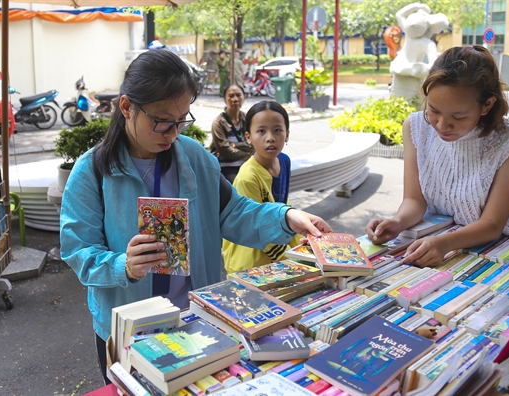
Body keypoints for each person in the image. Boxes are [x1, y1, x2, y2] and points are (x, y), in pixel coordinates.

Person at [59, 50, 332, 385]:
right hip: (128, 328)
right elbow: (78, 250)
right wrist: (123, 266)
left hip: (195, 319)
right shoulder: (93, 171)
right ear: (127, 107)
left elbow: (234, 212)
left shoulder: (194, 158)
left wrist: (286, 217)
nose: (172, 133)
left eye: (181, 120)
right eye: (161, 121)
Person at [365, 45, 509, 267]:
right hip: (436, 239)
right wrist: (397, 222)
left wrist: (443, 244)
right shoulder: (416, 127)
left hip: (498, 245)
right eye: (433, 110)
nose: (442, 125)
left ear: (487, 105)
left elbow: (493, 224)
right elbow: (415, 200)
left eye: (458, 116)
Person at [222, 101, 302, 273]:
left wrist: (303, 243)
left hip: (279, 253)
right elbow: (259, 228)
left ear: (287, 134)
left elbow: (282, 205)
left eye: (277, 130)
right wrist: (297, 260)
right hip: (249, 263)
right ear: (248, 137)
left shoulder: (284, 161)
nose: (270, 137)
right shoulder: (248, 177)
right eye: (261, 131)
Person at [209, 84, 254, 183]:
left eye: (238, 95)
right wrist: (247, 153)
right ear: (225, 100)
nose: (235, 99)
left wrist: (235, 145)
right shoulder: (219, 122)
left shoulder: (247, 119)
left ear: (244, 97)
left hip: (247, 165)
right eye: (231, 96)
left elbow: (254, 144)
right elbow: (224, 150)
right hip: (227, 168)